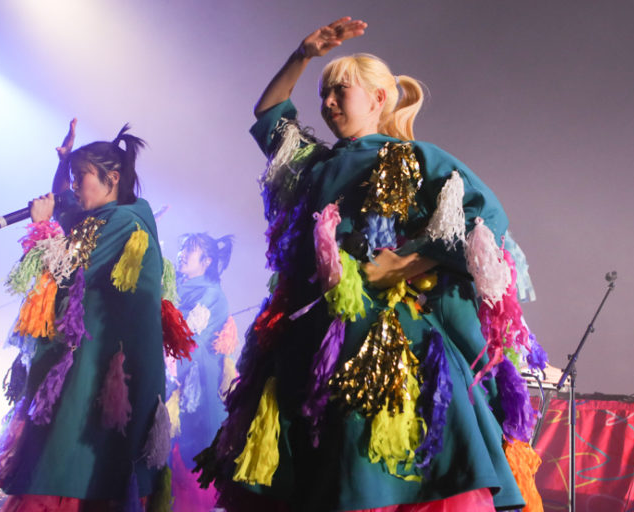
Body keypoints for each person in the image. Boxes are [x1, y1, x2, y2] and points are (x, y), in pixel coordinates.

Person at [195, 17, 545, 512]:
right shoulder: (312, 163)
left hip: (382, 341)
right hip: (308, 339)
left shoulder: (413, 157)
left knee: (370, 468)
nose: (327, 102)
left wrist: (404, 263)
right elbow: (270, 112)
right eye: (323, 93)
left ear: (379, 98)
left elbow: (484, 218)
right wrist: (303, 54)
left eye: (340, 90)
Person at [0, 119, 172, 512]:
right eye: (73, 178)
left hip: (103, 368)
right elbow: (66, 204)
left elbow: (67, 268)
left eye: (81, 177)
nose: (74, 187)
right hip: (83, 361)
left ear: (112, 178)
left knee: (77, 460)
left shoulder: (125, 224)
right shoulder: (100, 215)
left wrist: (42, 227)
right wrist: (64, 163)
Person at [167, 233, 236, 511]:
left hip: (196, 390)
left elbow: (187, 333)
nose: (182, 254)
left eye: (190, 250)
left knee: (193, 472)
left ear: (206, 261)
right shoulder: (176, 287)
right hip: (173, 380)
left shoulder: (212, 295)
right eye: (182, 248)